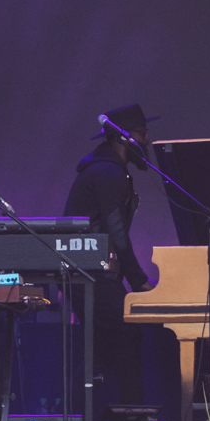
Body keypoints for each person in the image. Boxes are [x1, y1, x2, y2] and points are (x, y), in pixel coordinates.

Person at [63, 104, 157, 405]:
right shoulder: (108, 173)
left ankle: (79, 417)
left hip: (91, 272)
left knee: (101, 346)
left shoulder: (108, 170)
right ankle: (134, 416)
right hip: (90, 274)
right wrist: (139, 281)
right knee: (125, 331)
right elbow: (116, 233)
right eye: (142, 133)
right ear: (123, 139)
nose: (147, 140)